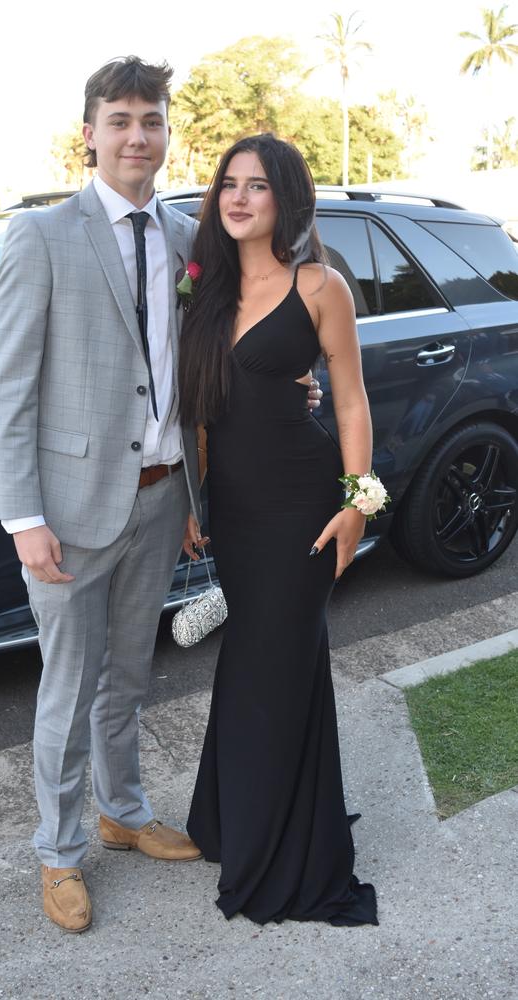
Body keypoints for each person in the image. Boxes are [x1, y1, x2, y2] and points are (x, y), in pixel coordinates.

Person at [0, 56, 324, 933]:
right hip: (67, 509)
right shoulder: (41, 236)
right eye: (122, 119)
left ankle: (122, 812)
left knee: (129, 677)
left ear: (169, 135)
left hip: (164, 500)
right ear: (89, 132)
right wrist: (24, 518)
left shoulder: (187, 241)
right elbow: (7, 390)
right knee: (67, 685)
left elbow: (225, 346)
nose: (139, 136)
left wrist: (296, 386)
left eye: (153, 120)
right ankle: (58, 853)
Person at [179, 133, 380, 926]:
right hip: (232, 511)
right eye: (229, 183)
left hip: (302, 508)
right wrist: (193, 505)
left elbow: (355, 401)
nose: (238, 197)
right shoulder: (206, 289)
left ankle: (280, 853)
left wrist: (361, 504)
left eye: (257, 186)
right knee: (257, 668)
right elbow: (199, 411)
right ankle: (237, 821)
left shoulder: (320, 286)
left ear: (285, 199)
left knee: (274, 668)